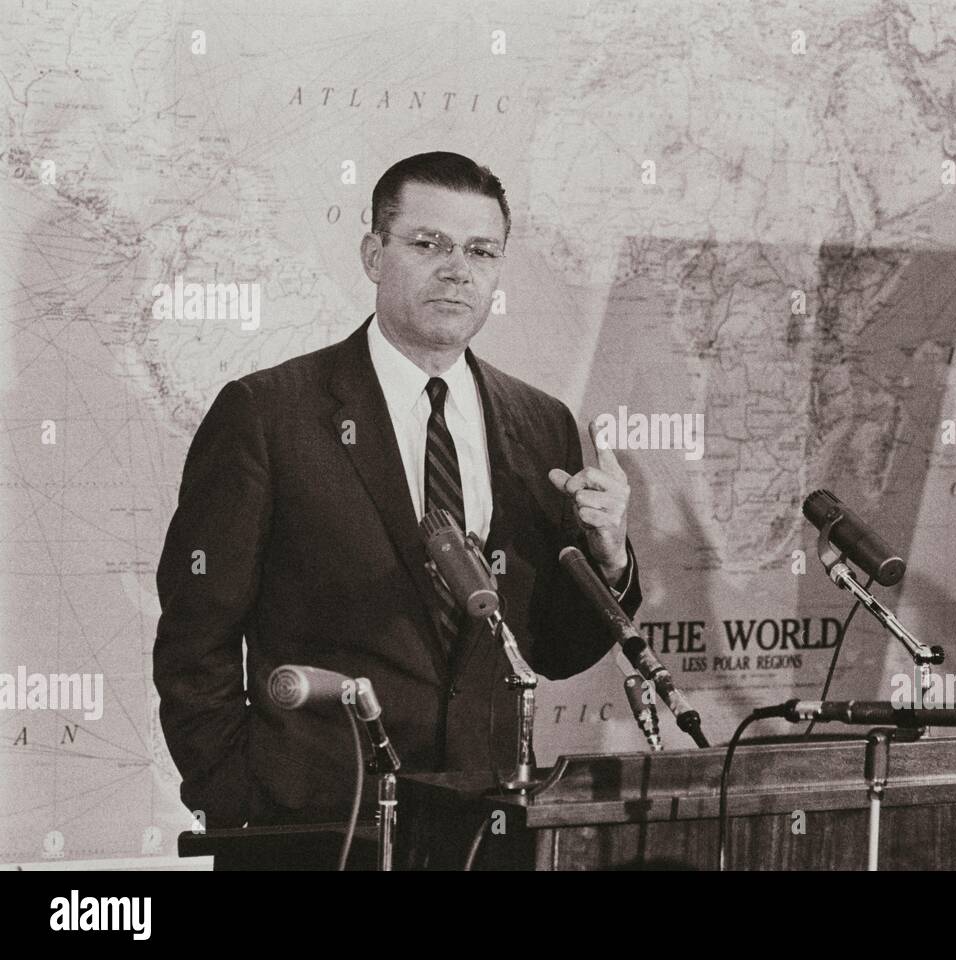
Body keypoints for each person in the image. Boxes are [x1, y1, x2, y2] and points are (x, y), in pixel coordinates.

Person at [153, 151, 640, 828]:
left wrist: (609, 556)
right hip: (314, 824)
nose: (456, 269)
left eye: (480, 250)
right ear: (374, 255)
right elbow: (193, 640)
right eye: (428, 244)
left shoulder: (541, 424)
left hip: (484, 818)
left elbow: (554, 650)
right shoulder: (267, 415)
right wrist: (239, 802)